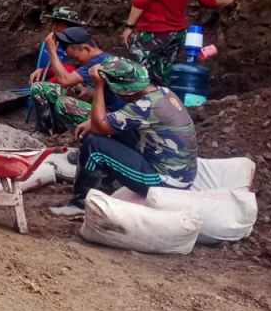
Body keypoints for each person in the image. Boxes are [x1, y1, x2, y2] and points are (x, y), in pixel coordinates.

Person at [49, 55, 197, 216]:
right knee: (116, 133)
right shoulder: (162, 93)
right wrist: (93, 122)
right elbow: (118, 119)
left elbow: (100, 126)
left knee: (95, 145)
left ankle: (79, 204)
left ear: (125, 93)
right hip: (178, 172)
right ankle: (105, 182)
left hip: (164, 182)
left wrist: (99, 86)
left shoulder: (144, 107)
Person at [28, 27, 126, 134]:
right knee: (40, 88)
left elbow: (65, 81)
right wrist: (87, 91)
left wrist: (52, 51)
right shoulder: (99, 59)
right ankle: (46, 132)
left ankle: (73, 136)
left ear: (86, 48)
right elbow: (112, 94)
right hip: (105, 109)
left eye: (76, 58)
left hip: (113, 118)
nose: (76, 61)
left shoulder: (101, 61)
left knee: (64, 103)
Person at [28, 7, 84, 84]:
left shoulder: (78, 50)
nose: (53, 27)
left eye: (57, 25)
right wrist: (43, 71)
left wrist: (52, 51)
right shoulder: (57, 44)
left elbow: (67, 73)